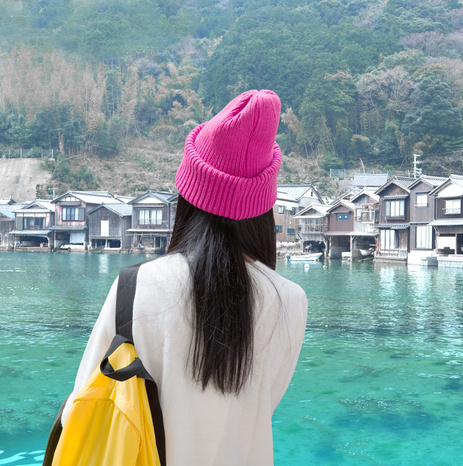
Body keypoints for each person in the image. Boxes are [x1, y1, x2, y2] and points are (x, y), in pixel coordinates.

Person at [61, 90, 308, 465]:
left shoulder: (136, 287)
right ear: (263, 208)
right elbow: (262, 405)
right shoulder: (291, 301)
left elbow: (81, 407)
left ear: (189, 196)